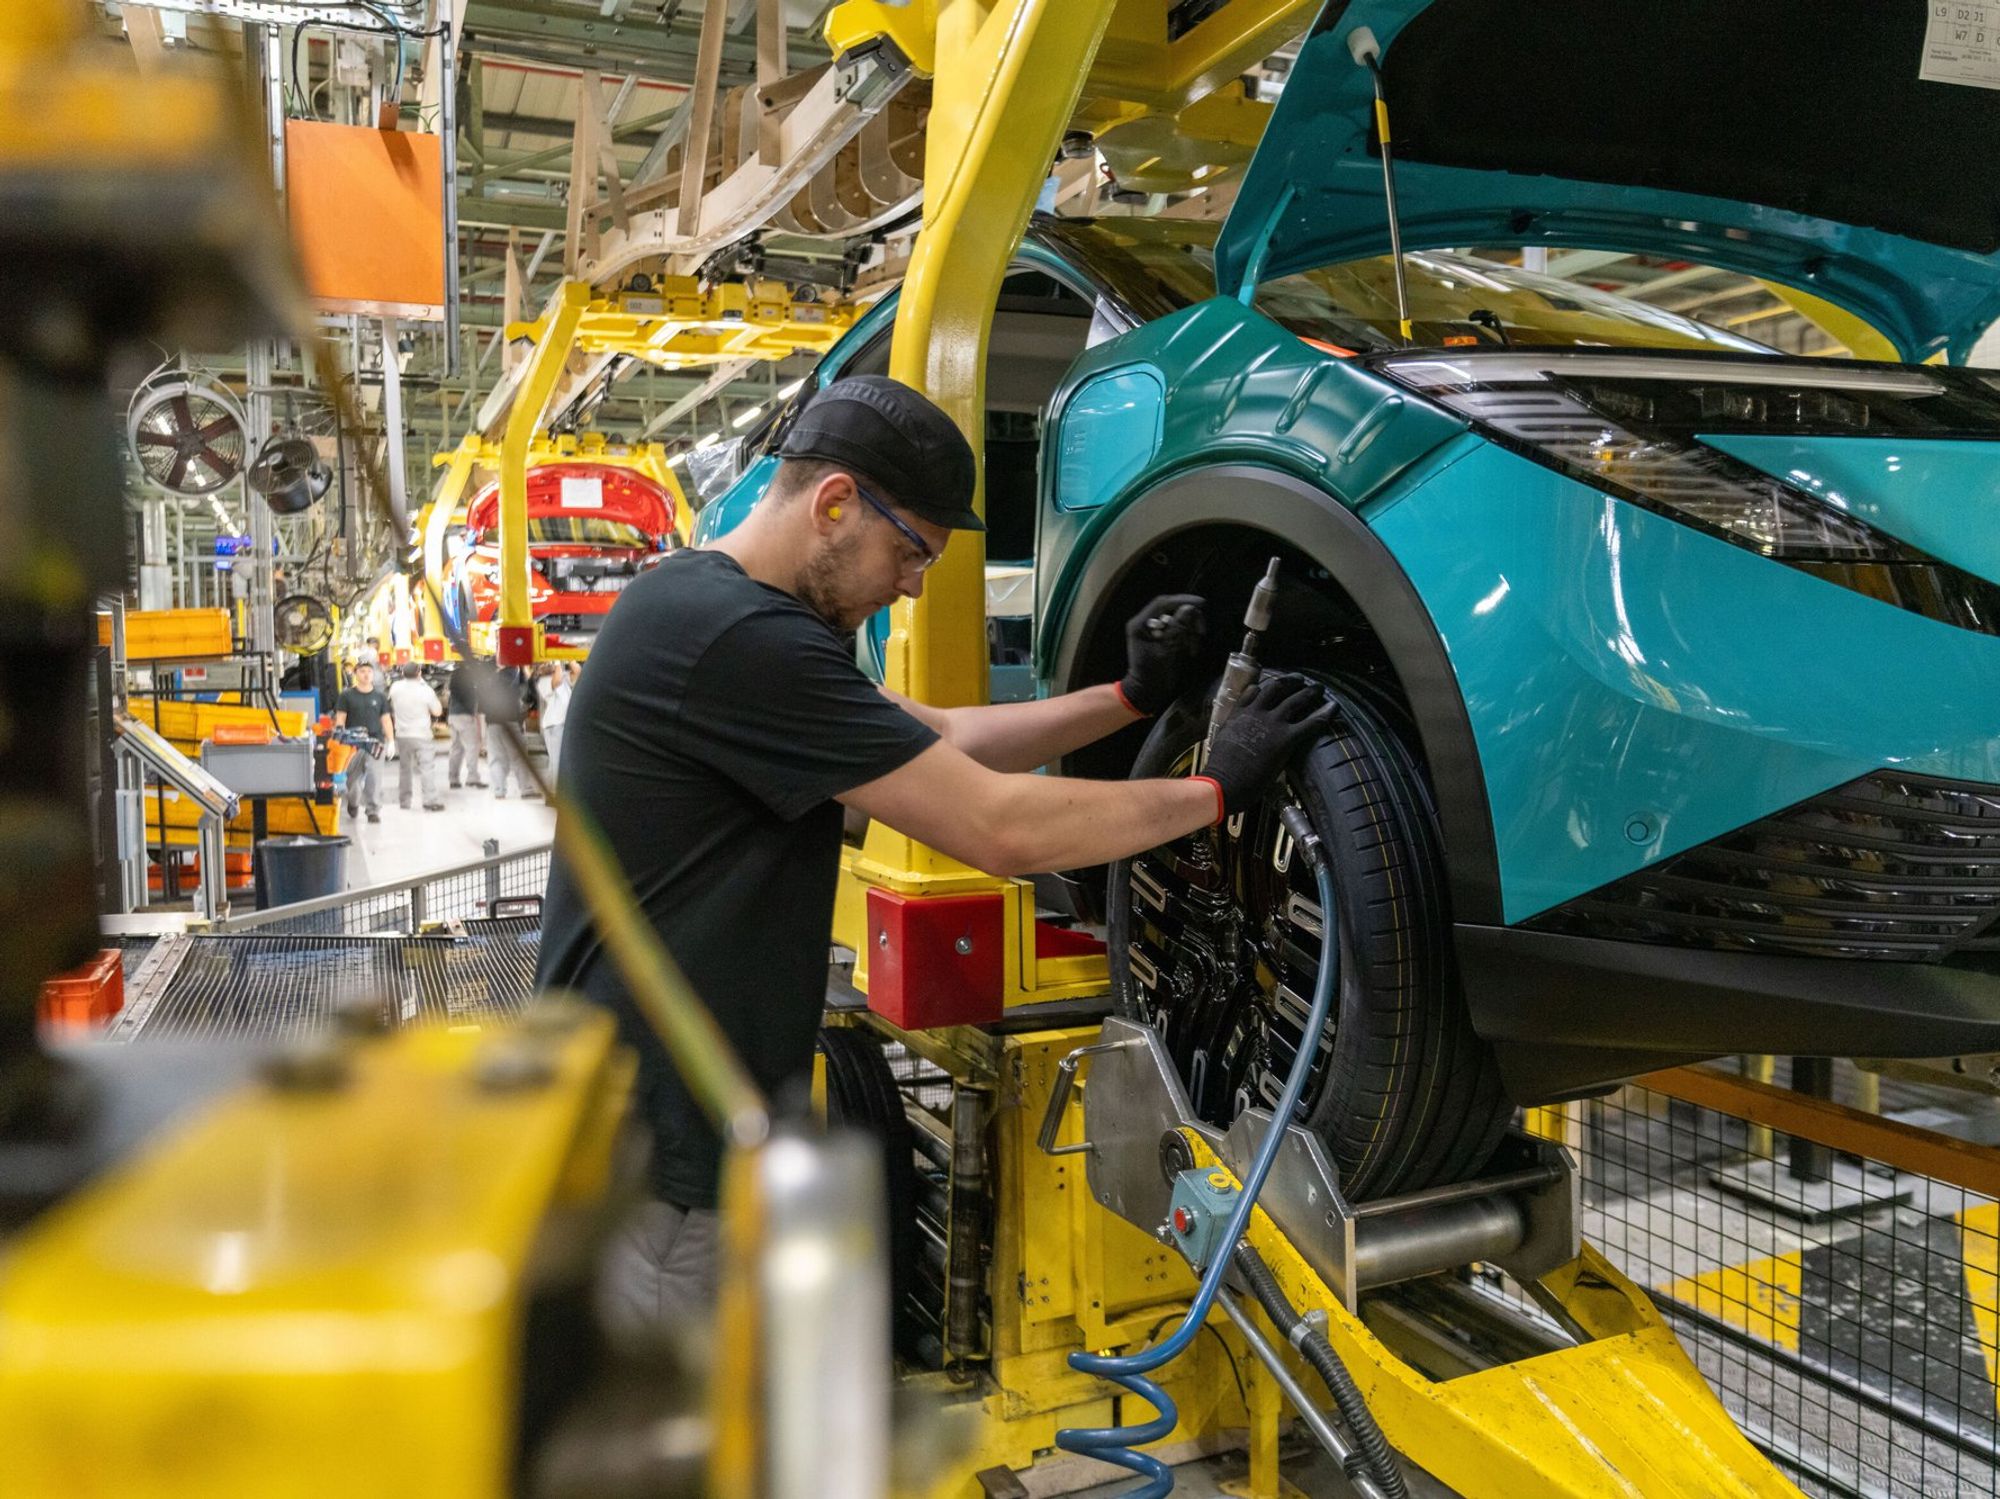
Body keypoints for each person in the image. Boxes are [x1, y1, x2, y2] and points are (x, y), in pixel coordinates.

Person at [534, 375, 1333, 1337]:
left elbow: (947, 736)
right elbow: (996, 824)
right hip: (659, 1160)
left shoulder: (705, 609)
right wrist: (1212, 791)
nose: (913, 584)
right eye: (911, 551)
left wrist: (1126, 695)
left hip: (649, 1125)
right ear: (836, 505)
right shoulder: (740, 639)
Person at [331, 660, 392, 824]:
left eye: (369, 672)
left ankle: (372, 810)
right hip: (353, 744)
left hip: (375, 743)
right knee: (353, 780)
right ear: (356, 674)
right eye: (362, 671)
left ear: (373, 675)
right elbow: (340, 719)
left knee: (374, 776)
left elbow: (386, 720)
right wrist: (339, 739)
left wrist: (391, 741)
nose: (366, 675)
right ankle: (353, 802)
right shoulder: (346, 696)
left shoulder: (379, 697)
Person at [386, 663, 446, 812]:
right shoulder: (425, 690)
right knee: (426, 768)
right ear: (419, 673)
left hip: (402, 735)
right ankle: (429, 801)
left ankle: (404, 802)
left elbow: (391, 702)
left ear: (403, 673)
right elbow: (437, 712)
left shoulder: (395, 688)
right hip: (422, 735)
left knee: (405, 769)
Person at [484, 662, 536, 799]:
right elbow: (526, 695)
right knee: (519, 757)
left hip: (492, 722)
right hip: (509, 721)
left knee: (496, 758)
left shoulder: (489, 676)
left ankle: (499, 791)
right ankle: (526, 789)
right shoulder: (513, 671)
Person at [445, 662, 487, 789]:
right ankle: (472, 778)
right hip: (465, 716)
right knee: (472, 747)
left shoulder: (454, 676)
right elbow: (473, 695)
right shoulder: (468, 676)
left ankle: (453, 779)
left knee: (456, 748)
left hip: (453, 715)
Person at [542, 661, 576, 784]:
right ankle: (554, 793)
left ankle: (553, 793)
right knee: (555, 762)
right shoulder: (543, 681)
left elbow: (578, 672)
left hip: (562, 725)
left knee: (557, 762)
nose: (548, 665)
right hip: (553, 726)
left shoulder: (563, 677)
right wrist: (557, 662)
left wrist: (570, 658)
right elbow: (556, 681)